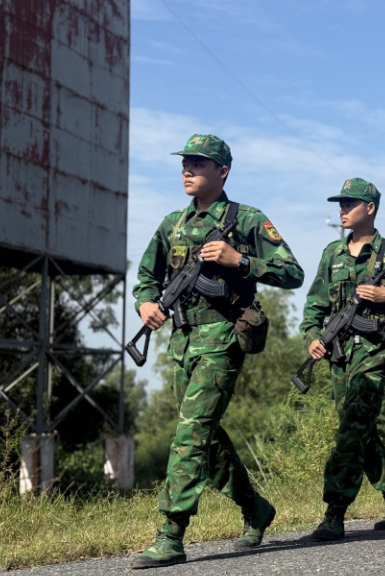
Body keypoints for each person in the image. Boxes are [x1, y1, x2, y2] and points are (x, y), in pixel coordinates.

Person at [131, 134, 305, 569]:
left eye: (199, 164)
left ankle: (171, 532)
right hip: (182, 343)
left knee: (190, 434)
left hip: (223, 340)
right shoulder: (171, 223)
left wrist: (240, 261)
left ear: (222, 171)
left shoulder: (246, 219)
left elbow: (292, 272)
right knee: (205, 440)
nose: (188, 170)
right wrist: (147, 304)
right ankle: (255, 508)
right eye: (185, 162)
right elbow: (145, 278)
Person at [301, 178, 385, 541]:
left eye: (350, 203)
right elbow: (314, 306)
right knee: (359, 430)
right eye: (340, 204)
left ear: (370, 208)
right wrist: (313, 338)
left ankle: (334, 512)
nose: (342, 209)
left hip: (375, 351)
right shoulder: (332, 253)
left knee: (351, 428)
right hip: (339, 355)